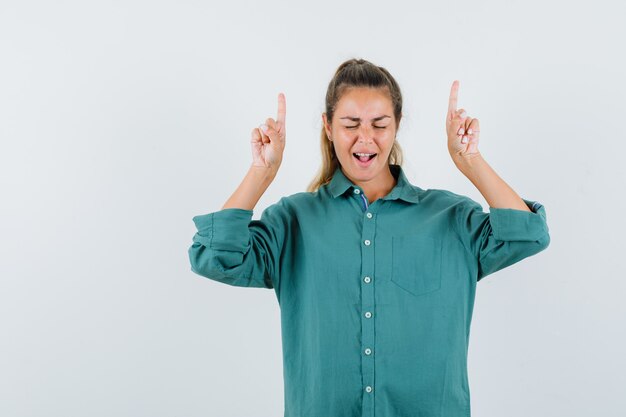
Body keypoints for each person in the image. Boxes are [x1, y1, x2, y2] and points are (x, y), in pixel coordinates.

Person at [188, 58, 550, 417]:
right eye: (351, 125)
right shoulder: (293, 221)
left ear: (396, 127)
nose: (366, 139)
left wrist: (470, 161)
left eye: (379, 124)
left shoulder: (450, 217)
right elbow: (213, 257)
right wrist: (260, 173)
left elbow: (528, 235)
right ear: (328, 127)